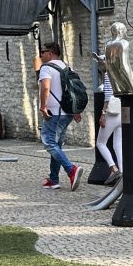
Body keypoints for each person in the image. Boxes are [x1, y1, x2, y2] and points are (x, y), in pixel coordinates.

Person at [39, 42, 83, 191]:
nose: (40, 55)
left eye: (42, 52)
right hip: (67, 113)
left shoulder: (46, 68)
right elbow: (74, 90)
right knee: (56, 145)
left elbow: (46, 87)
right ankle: (53, 179)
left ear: (50, 53)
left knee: (49, 143)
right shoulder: (67, 67)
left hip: (53, 113)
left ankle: (71, 170)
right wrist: (76, 111)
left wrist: (43, 107)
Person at [96, 73, 122, 185]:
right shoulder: (121, 72)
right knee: (118, 144)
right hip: (122, 110)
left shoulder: (108, 74)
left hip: (111, 112)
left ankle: (114, 169)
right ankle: (122, 172)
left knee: (100, 143)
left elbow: (108, 96)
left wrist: (103, 114)